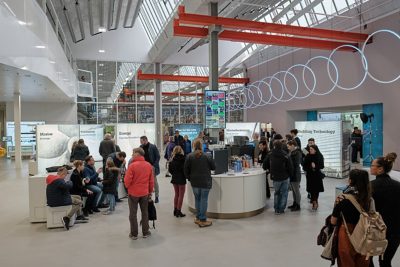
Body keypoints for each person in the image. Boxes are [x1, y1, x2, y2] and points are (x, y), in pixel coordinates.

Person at [330, 169, 372, 267]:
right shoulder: (369, 199)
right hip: (365, 232)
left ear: (350, 181)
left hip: (347, 232)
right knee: (363, 261)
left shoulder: (342, 198)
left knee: (346, 261)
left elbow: (333, 220)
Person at [370, 152, 400, 267]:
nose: (371, 168)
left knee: (368, 260)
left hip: (374, 231)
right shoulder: (398, 186)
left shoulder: (370, 186)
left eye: (373, 165)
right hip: (395, 232)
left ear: (380, 169)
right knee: (386, 262)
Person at [184, 139, 216, 227]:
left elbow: (185, 170)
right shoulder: (207, 156)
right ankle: (202, 219)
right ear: (202, 146)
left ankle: (198, 217)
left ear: (193, 146)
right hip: (205, 182)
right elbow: (213, 167)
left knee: (197, 199)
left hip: (194, 182)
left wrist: (189, 178)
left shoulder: (189, 156)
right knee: (203, 200)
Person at [124, 147, 154, 240]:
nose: (132, 155)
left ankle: (134, 234)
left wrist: (128, 187)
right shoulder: (148, 165)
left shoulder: (132, 166)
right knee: (145, 212)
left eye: (133, 153)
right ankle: (145, 232)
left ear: (137, 154)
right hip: (144, 193)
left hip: (133, 193)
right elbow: (151, 181)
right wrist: (149, 192)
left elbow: (127, 181)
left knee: (133, 214)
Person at [263, 140, 293, 215]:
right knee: (284, 193)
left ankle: (276, 209)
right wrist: (290, 175)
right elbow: (290, 166)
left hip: (275, 177)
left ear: (274, 146)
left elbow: (265, 164)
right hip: (285, 177)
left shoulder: (270, 153)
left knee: (277, 193)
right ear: (282, 146)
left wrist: (267, 169)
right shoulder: (285, 154)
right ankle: (281, 209)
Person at [302, 144, 324, 211]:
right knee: (311, 190)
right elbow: (304, 167)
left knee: (316, 190)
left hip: (317, 175)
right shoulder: (307, 156)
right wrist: (310, 167)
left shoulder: (319, 156)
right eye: (309, 149)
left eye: (311, 149)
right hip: (310, 175)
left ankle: (315, 202)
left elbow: (322, 166)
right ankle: (314, 201)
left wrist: (315, 166)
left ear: (315, 150)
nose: (310, 150)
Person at [140, 136, 160, 203]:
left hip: (151, 167)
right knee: (145, 182)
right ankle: (148, 196)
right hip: (144, 167)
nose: (141, 142)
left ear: (145, 140)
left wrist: (154, 165)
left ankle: (157, 196)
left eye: (141, 141)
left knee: (154, 182)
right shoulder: (140, 147)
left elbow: (158, 156)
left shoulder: (153, 147)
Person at [168, 146, 187, 218]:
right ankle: (179, 211)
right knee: (181, 196)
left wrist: (174, 174)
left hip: (174, 179)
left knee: (176, 194)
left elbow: (170, 170)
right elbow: (185, 170)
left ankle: (175, 210)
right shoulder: (184, 159)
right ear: (181, 151)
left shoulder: (172, 159)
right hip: (181, 179)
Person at [287, 140, 302, 211]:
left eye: (289, 146)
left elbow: (296, 163)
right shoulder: (292, 152)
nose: (288, 148)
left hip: (296, 174)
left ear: (293, 145)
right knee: (293, 191)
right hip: (292, 174)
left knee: (296, 191)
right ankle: (294, 203)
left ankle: (298, 205)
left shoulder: (298, 153)